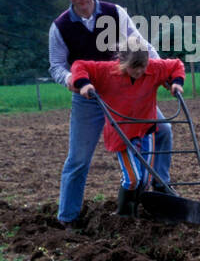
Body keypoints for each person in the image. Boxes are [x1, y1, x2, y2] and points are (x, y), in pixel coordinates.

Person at [49, 0, 174, 228]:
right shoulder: (60, 27)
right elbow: (56, 66)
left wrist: (161, 71)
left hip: (126, 91)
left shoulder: (115, 13)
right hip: (89, 95)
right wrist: (73, 80)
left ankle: (159, 188)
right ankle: (67, 218)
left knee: (162, 131)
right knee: (79, 159)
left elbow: (142, 45)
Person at [70, 39, 185, 217]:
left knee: (146, 181)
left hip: (146, 130)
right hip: (121, 134)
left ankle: (139, 213)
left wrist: (177, 82)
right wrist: (84, 84)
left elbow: (176, 64)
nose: (139, 71)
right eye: (134, 67)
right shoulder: (107, 71)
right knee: (132, 179)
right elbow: (79, 65)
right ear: (123, 62)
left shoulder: (154, 68)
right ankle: (123, 215)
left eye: (143, 66)